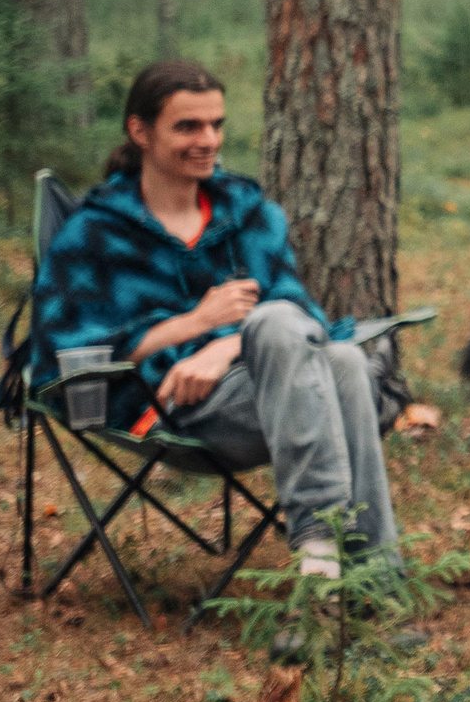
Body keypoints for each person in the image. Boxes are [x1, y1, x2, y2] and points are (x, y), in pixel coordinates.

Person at [32, 61, 396, 578]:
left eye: (216, 125)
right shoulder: (94, 236)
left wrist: (227, 346)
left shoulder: (247, 214)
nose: (208, 140)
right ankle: (350, 570)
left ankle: (340, 570)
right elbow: (62, 356)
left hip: (272, 387)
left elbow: (305, 314)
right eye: (188, 126)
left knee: (335, 356)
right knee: (333, 360)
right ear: (140, 131)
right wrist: (194, 324)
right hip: (169, 407)